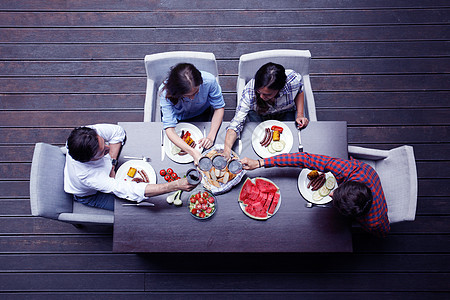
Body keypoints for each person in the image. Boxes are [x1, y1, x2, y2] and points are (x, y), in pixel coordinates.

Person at [240, 152, 390, 237]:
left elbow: (383, 232)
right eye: (336, 191)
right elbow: (305, 158)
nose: (330, 194)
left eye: (334, 197)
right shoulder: (353, 170)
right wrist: (260, 163)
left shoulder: (374, 222)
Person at [64, 124, 197, 211]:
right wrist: (175, 185)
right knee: (132, 209)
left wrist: (112, 163)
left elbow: (117, 132)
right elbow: (131, 189)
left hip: (108, 173)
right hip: (89, 195)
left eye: (104, 142)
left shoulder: (87, 134)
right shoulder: (88, 176)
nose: (108, 147)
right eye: (102, 152)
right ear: (89, 160)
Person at [223, 62, 309, 159]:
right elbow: (236, 123)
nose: (261, 97)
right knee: (254, 143)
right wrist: (227, 150)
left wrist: (300, 114)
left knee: (294, 143)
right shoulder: (249, 92)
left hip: (285, 112)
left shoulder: (293, 80)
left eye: (268, 94)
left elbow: (300, 90)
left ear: (279, 88)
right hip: (259, 114)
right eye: (259, 92)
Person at [159, 63, 225, 164]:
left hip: (201, 113)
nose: (193, 98)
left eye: (196, 92)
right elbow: (169, 129)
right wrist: (193, 153)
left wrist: (211, 137)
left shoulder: (209, 81)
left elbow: (219, 107)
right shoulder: (165, 93)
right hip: (177, 117)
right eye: (187, 96)